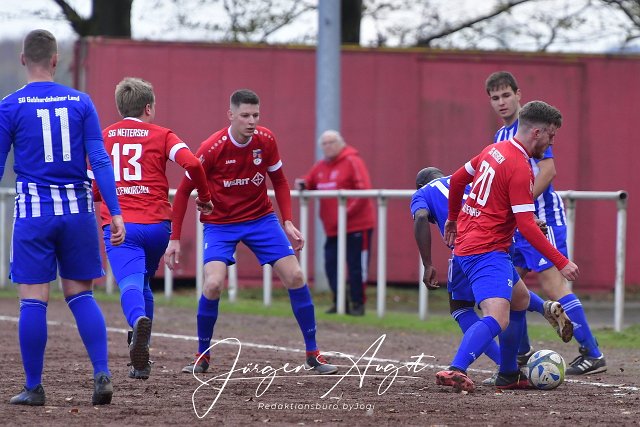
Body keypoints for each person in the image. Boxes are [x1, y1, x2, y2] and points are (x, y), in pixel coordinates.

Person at [164, 89, 337, 375]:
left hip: (260, 219)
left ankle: (313, 354)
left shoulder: (266, 140)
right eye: (245, 115)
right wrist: (175, 239)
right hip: (220, 224)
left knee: (295, 276)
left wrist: (288, 221)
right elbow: (183, 193)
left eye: (256, 115)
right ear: (230, 115)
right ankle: (202, 356)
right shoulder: (211, 148)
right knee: (213, 284)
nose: (252, 121)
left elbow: (279, 181)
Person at [0, 29, 125, 406]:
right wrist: (116, 212)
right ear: (56, 60)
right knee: (81, 295)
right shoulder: (81, 101)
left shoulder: (10, 105)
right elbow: (99, 159)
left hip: (34, 215)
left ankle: (34, 387)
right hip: (78, 213)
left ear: (23, 59)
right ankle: (101, 374)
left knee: (33, 300)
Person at [435, 100, 580, 393]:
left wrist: (452, 218)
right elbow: (526, 225)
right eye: (551, 135)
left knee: (520, 300)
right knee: (497, 317)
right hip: (487, 251)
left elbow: (459, 179)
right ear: (537, 132)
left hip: (465, 244)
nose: (552, 142)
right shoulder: (520, 167)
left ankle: (509, 373)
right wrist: (561, 261)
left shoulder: (493, 150)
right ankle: (456, 368)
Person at [486, 71, 606, 375]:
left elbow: (548, 171)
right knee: (509, 287)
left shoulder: (532, 129)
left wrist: (520, 203)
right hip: (518, 224)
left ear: (518, 95)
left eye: (506, 95)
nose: (501, 102)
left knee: (553, 285)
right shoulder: (500, 136)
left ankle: (592, 353)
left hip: (542, 219)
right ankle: (521, 353)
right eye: (495, 97)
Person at [94, 77, 213, 380]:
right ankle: (141, 361)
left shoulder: (104, 136)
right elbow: (194, 165)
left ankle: (137, 325)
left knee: (130, 285)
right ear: (148, 107)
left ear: (121, 107)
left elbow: (93, 185)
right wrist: (205, 197)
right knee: (145, 282)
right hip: (158, 226)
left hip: (122, 226)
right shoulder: (163, 135)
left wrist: (108, 194)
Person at [411, 167, 571, 379]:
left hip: (471, 248)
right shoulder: (466, 181)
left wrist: (427, 264)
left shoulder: (422, 193)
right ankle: (513, 363)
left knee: (469, 310)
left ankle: (461, 368)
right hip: (501, 241)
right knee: (519, 299)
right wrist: (530, 220)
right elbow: (502, 198)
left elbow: (421, 217)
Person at [296, 130, 375, 316]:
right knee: (331, 264)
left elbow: (363, 191)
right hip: (332, 228)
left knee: (356, 266)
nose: (328, 146)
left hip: (357, 226)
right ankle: (340, 302)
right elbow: (310, 180)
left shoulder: (353, 161)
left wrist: (343, 214)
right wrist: (302, 184)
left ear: (341, 143)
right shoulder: (321, 166)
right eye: (324, 143)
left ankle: (358, 304)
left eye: (332, 142)